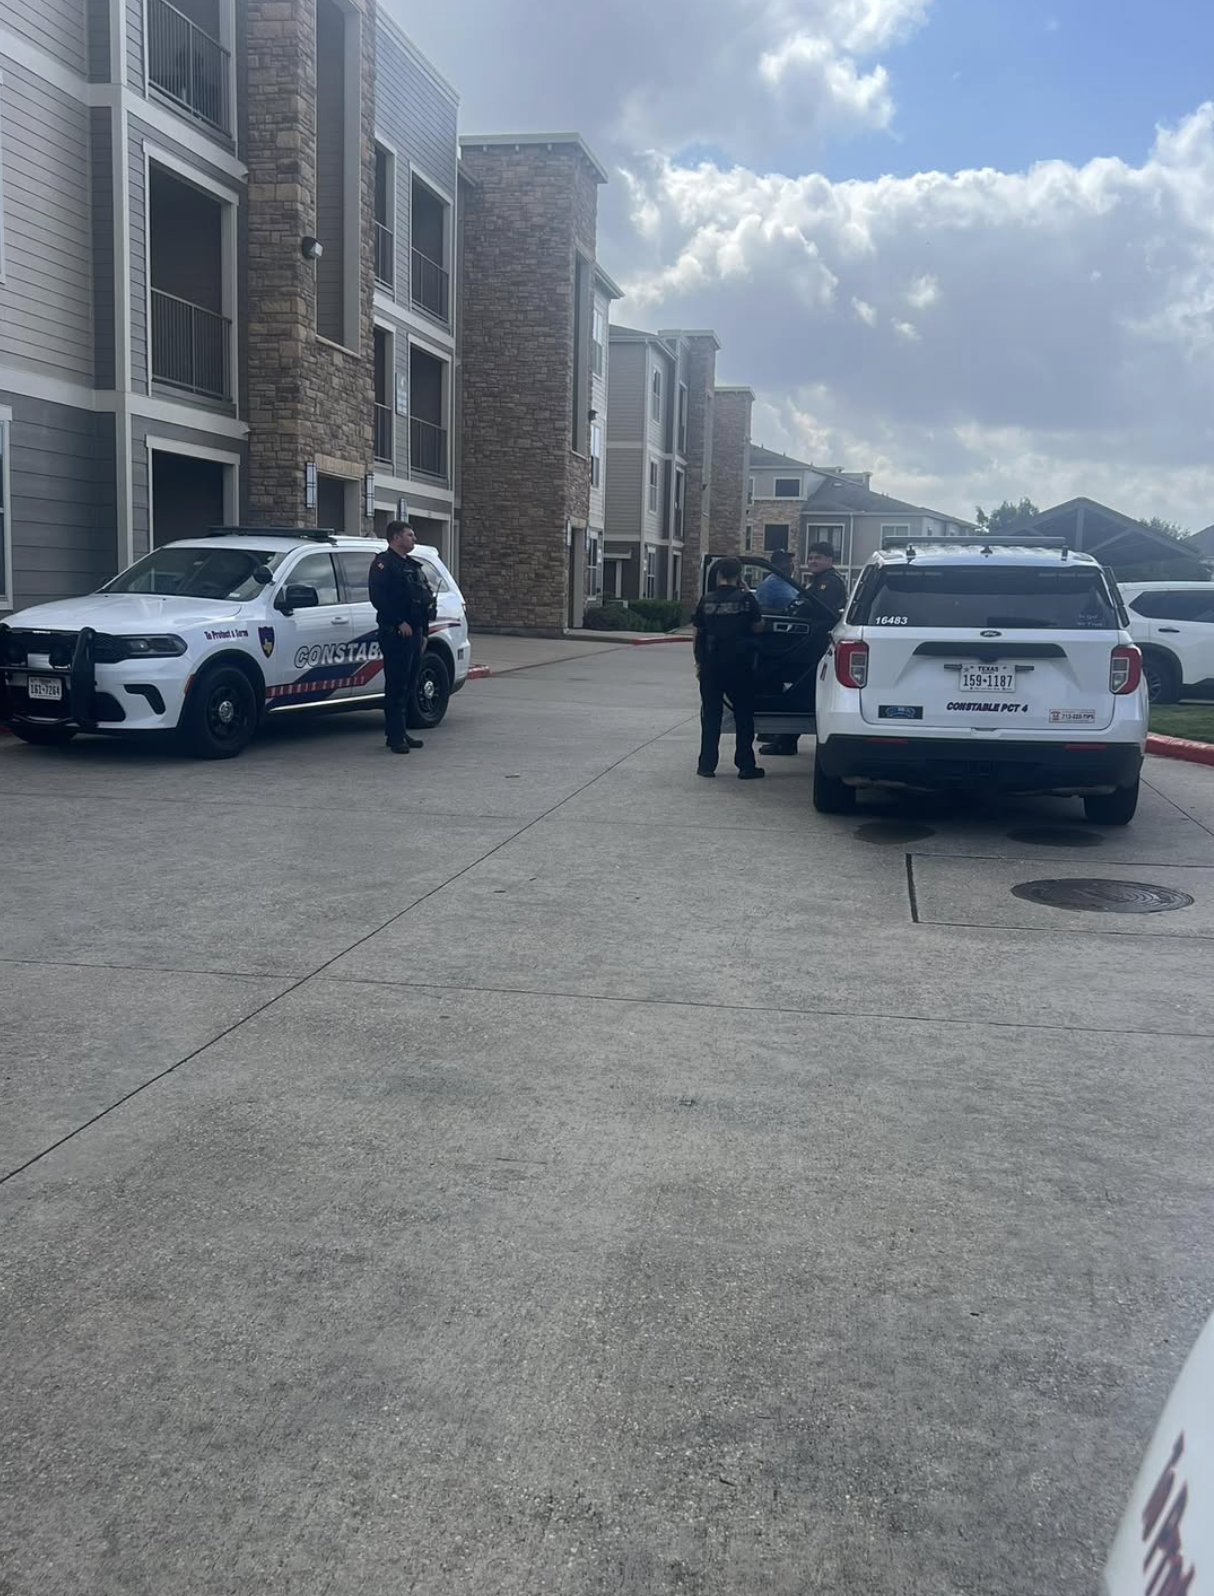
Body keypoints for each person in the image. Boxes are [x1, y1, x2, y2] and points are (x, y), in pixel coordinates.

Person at [759, 541, 849, 757]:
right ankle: (782, 737)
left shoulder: (829, 582)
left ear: (830, 560)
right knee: (799, 688)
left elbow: (820, 612)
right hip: (810, 643)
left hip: (817, 646)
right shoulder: (818, 581)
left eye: (818, 558)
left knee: (798, 689)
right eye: (811, 557)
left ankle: (783, 739)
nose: (813, 561)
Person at [692, 557, 766, 780]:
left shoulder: (706, 600)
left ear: (719, 575)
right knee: (743, 715)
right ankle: (745, 765)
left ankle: (706, 765)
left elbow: (697, 633)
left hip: (711, 665)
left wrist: (699, 662)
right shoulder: (746, 600)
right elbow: (758, 627)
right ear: (739, 575)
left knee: (711, 716)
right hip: (739, 665)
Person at [368, 521, 435, 754]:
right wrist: (398, 621)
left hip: (414, 632)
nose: (414, 538)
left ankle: (401, 731)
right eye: (410, 535)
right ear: (396, 538)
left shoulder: (412, 566)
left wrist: (423, 632)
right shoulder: (383, 565)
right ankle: (394, 736)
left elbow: (422, 600)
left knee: (409, 684)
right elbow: (379, 598)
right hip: (395, 633)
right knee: (396, 685)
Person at [754, 549, 800, 613]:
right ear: (776, 565)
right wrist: (784, 612)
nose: (791, 565)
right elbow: (761, 609)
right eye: (787, 562)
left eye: (791, 561)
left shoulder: (791, 583)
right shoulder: (768, 585)